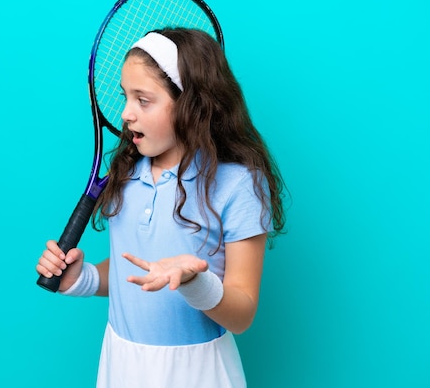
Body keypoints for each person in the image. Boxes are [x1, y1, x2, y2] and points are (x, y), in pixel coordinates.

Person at [37, 28, 286, 388]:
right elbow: (135, 268)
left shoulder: (238, 184)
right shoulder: (126, 173)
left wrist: (194, 281)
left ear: (191, 104)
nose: (126, 113)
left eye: (143, 100)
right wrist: (84, 278)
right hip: (121, 364)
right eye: (125, 97)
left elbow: (242, 312)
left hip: (197, 373)